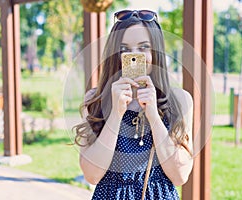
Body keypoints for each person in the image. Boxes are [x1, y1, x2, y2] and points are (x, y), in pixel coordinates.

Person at [74, 10, 193, 200]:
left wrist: (153, 115)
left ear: (156, 52)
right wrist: (115, 113)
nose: (134, 56)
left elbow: (180, 175)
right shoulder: (94, 100)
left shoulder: (180, 100)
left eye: (144, 47)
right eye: (124, 49)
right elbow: (92, 175)